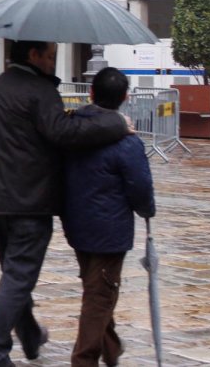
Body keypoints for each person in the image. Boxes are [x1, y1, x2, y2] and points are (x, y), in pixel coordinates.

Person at [0, 40, 130, 367]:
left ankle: (30, 336)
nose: (52, 63)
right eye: (50, 56)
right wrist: (116, 123)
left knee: (15, 276)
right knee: (17, 279)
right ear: (33, 55)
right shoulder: (38, 90)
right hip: (27, 202)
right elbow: (64, 133)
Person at [61, 67, 155, 367]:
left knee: (97, 286)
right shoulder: (127, 142)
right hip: (109, 230)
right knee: (99, 295)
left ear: (91, 93)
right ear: (125, 97)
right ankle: (84, 359)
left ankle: (111, 348)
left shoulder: (71, 131)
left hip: (76, 223)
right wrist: (147, 209)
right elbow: (140, 186)